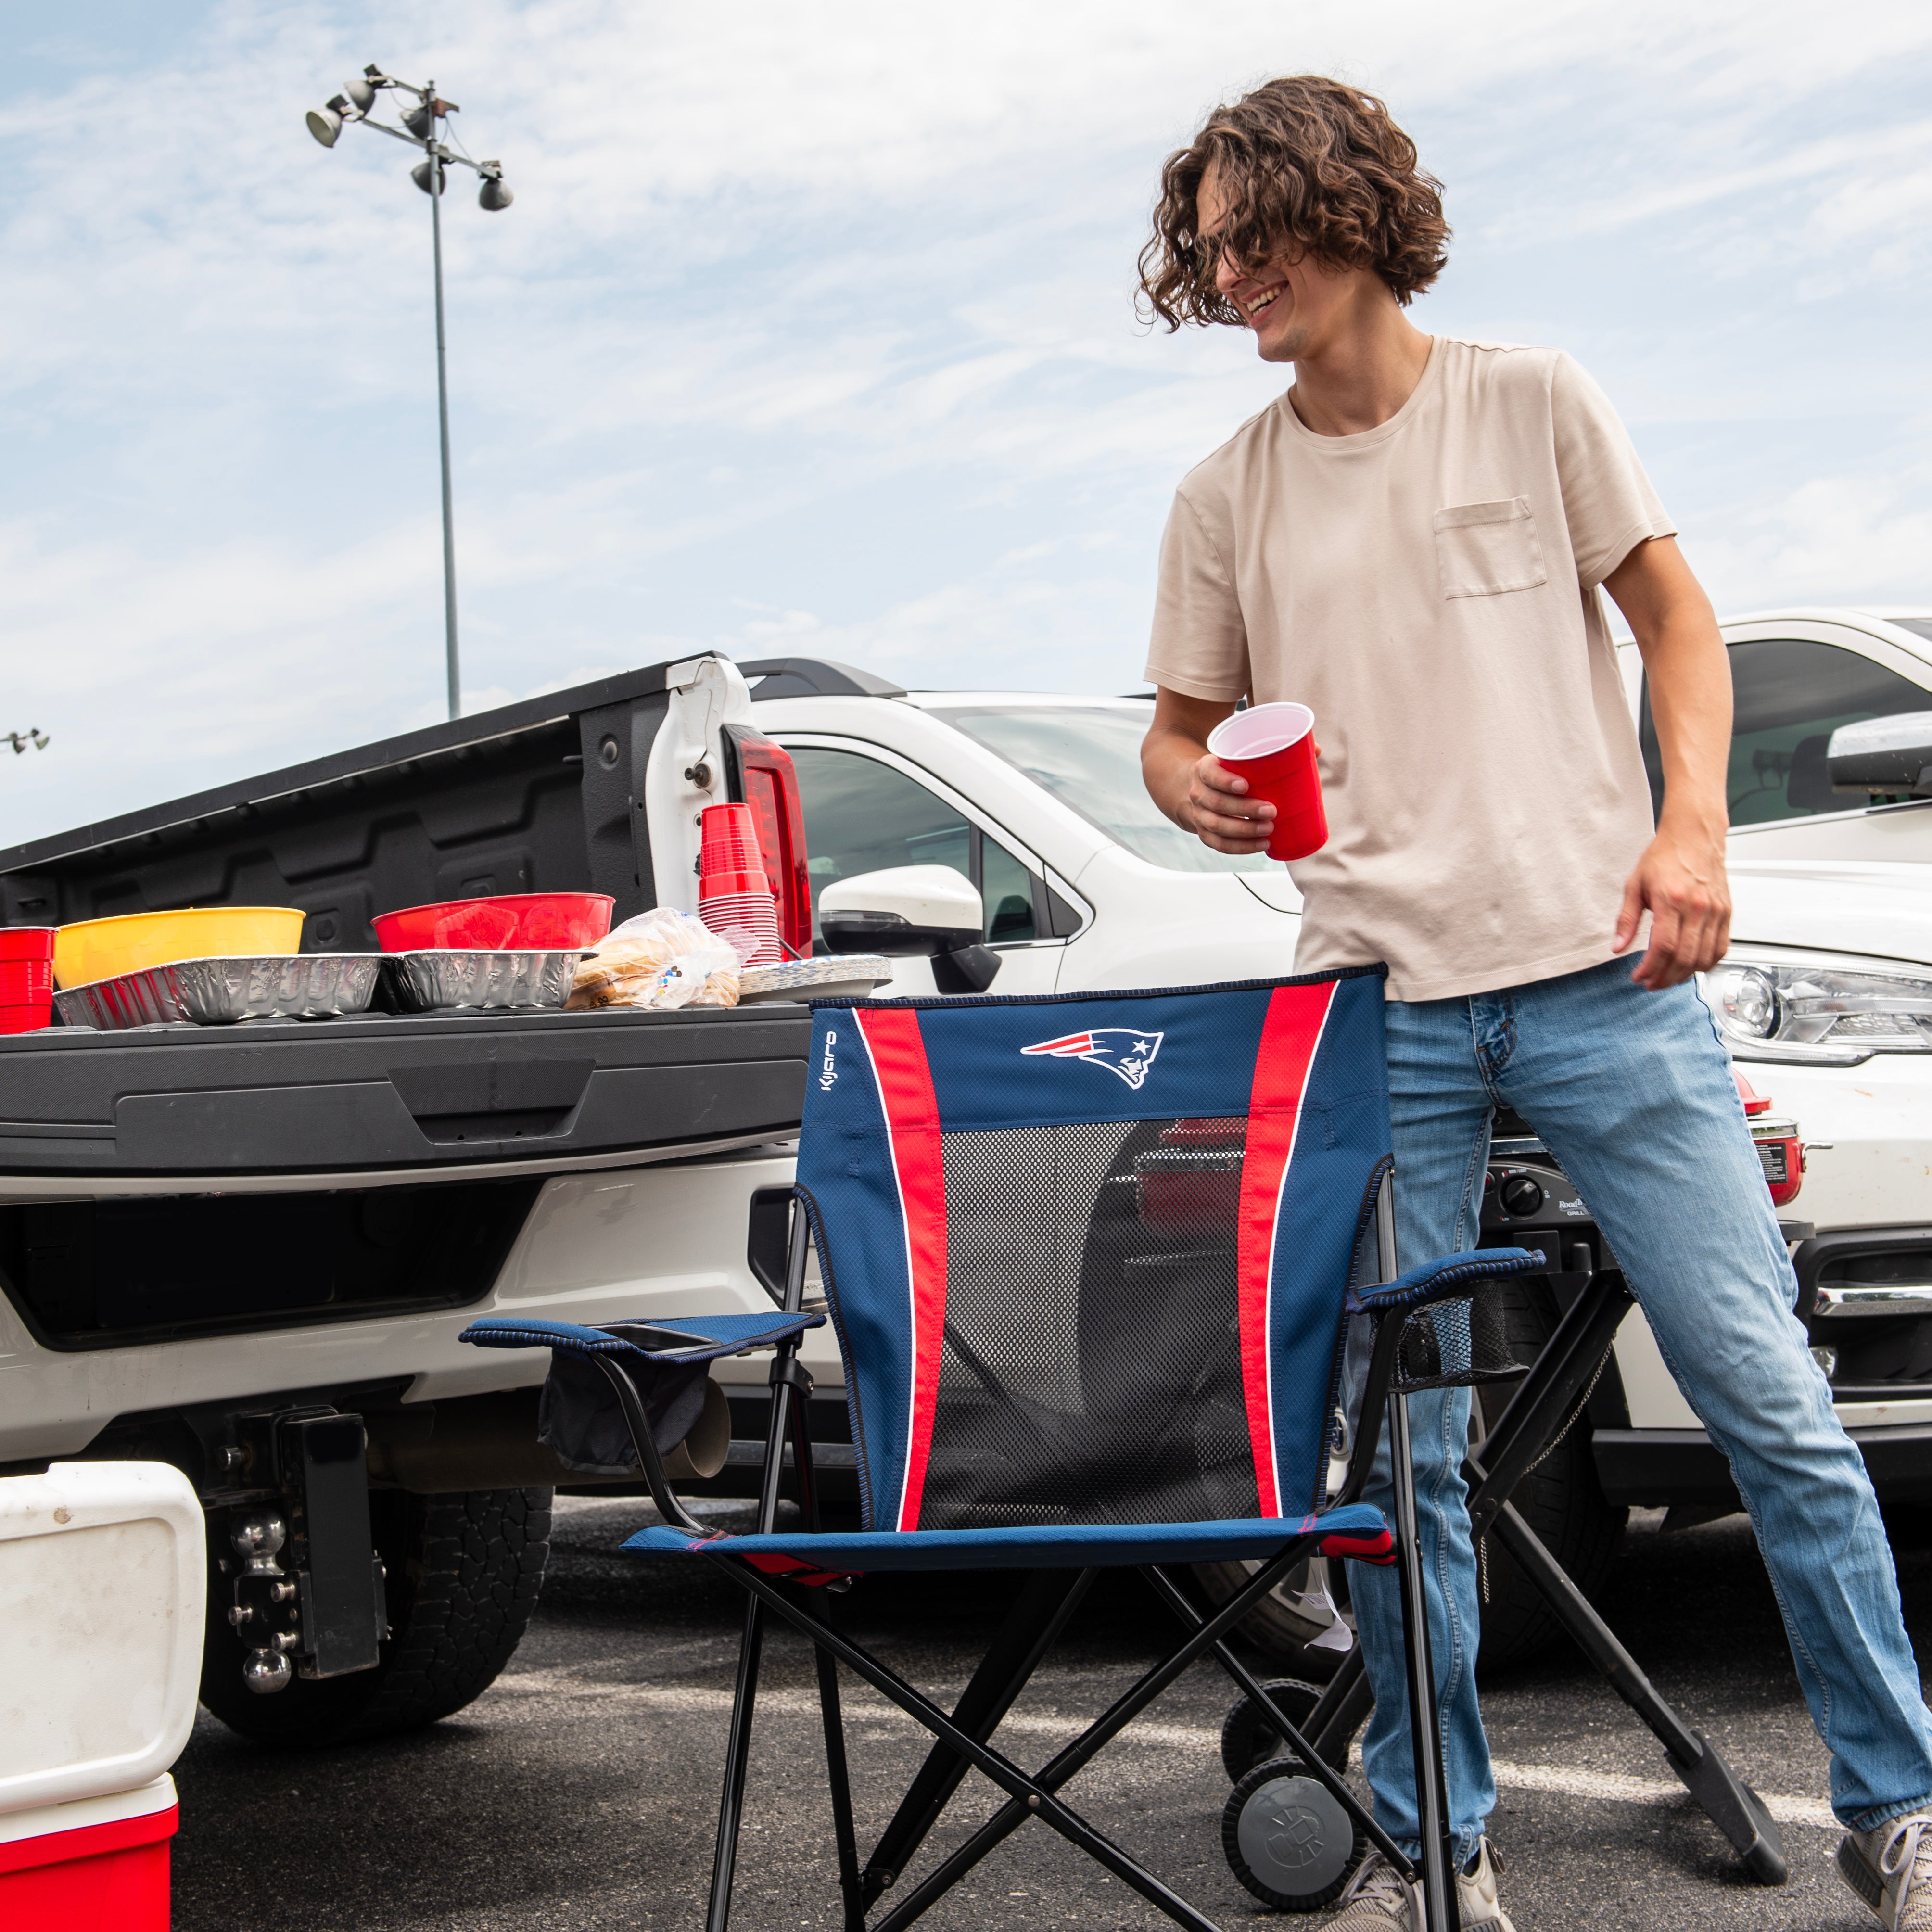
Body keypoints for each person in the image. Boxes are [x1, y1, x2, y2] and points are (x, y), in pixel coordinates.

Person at [1136, 74, 1932, 1932]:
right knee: (1408, 1454)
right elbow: (1175, 737)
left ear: (1346, 213)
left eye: (1255, 231)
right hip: (1378, 1011)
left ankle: (1895, 1809)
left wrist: (1694, 830)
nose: (1231, 271)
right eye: (1211, 248)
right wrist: (1192, 787)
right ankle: (1439, 1837)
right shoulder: (1222, 493)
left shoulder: (1534, 398)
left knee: (1772, 1404)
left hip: (1606, 982)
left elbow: (1678, 622)